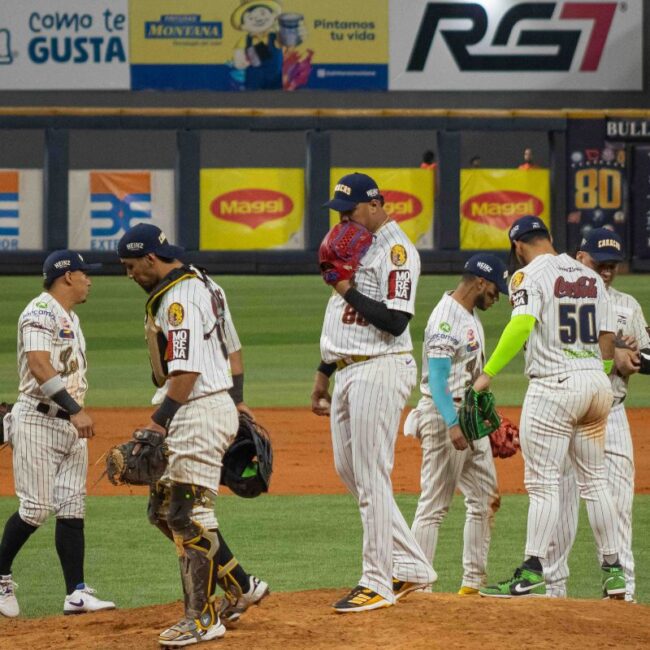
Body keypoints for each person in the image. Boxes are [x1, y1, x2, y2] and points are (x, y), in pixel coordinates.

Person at [117, 223, 268, 647]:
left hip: (195, 410)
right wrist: (237, 401)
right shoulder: (205, 283)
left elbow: (186, 369)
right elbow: (233, 349)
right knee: (163, 512)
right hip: (204, 405)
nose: (129, 274)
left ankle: (202, 618)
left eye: (131, 266)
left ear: (150, 258)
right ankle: (241, 585)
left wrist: (158, 422)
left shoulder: (179, 298)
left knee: (189, 515)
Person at [475, 215, 624, 599]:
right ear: (550, 237)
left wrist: (487, 373)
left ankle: (531, 571)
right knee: (595, 481)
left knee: (543, 484)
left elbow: (521, 325)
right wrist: (595, 375)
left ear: (518, 246)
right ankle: (614, 570)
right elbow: (607, 339)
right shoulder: (591, 277)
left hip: (553, 388)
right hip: (596, 385)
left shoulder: (527, 276)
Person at [311, 172, 435, 613]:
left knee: (371, 476)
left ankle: (377, 581)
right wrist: (324, 372)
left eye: (350, 211)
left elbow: (396, 322)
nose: (343, 220)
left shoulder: (398, 252)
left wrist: (343, 285)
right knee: (352, 472)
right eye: (339, 213)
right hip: (348, 368)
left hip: (380, 368)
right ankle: (412, 566)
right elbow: (341, 317)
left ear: (376, 205)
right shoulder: (355, 247)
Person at [0, 251, 115, 618]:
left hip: (68, 425)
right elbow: (38, 364)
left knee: (72, 507)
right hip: (39, 420)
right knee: (35, 509)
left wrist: (72, 412)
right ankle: (1, 575)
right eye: (85, 274)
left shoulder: (71, 317)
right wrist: (75, 408)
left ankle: (76, 593)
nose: (89, 280)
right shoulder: (39, 312)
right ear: (67, 277)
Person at [544, 228, 650, 601]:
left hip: (611, 415)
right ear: (580, 258)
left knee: (618, 505)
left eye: (612, 266)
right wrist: (612, 350)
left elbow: (649, 354)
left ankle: (621, 594)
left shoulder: (627, 306)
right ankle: (551, 592)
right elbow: (543, 348)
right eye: (599, 264)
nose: (606, 272)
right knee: (559, 507)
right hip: (565, 413)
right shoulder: (557, 297)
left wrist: (633, 358)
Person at [408, 254, 508, 596]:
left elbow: (468, 374)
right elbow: (438, 380)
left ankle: (472, 586)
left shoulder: (469, 313)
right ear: (480, 282)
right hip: (444, 415)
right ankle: (416, 585)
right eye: (495, 290)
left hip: (468, 416)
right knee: (435, 504)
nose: (497, 297)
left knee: (485, 497)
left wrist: (485, 421)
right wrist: (452, 423)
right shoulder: (446, 320)